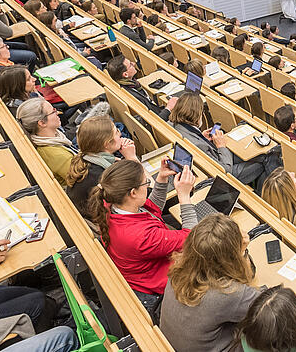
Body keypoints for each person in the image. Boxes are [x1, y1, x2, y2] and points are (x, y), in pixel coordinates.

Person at [87, 159, 197, 320]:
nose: (147, 185)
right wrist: (184, 196)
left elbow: (151, 209)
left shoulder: (111, 204)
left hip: (144, 271)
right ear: (132, 192)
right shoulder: (140, 236)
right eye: (145, 183)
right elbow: (191, 238)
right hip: (158, 287)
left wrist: (161, 179)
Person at [161, 213, 262, 351]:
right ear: (230, 256)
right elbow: (265, 306)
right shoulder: (229, 293)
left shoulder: (178, 269)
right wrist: (243, 252)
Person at [168, 93, 266, 188]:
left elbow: (195, 140)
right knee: (264, 158)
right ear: (197, 115)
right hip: (224, 174)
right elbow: (225, 170)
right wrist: (221, 146)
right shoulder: (198, 144)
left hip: (213, 160)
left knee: (254, 153)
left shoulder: (176, 127)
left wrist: (201, 137)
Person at [66, 116, 143, 223]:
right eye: (116, 132)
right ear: (107, 144)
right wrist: (132, 158)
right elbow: (144, 190)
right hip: (112, 223)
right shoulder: (104, 176)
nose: (120, 133)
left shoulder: (83, 159)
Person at [16, 98, 77, 186]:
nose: (57, 113)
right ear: (42, 123)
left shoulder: (49, 138)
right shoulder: (58, 156)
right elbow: (83, 181)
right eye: (53, 111)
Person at [107, 55, 176, 120]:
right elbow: (156, 121)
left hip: (157, 109)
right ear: (125, 74)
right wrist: (168, 108)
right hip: (161, 118)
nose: (134, 63)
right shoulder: (133, 96)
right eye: (130, 65)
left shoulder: (129, 84)